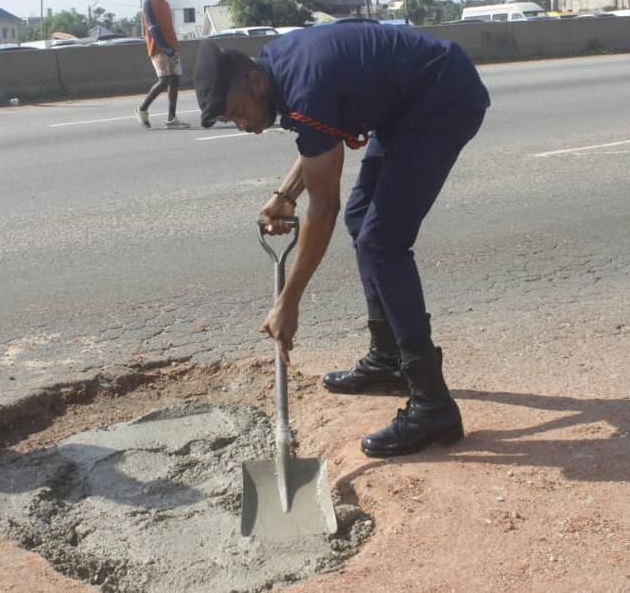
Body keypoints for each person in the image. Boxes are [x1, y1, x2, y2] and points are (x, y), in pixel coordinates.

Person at [194, 22, 489, 457]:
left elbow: (323, 207)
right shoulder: (280, 68)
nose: (241, 125)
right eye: (229, 120)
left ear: (254, 82)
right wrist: (284, 196)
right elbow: (319, 141)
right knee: (361, 217)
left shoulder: (306, 85)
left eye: (238, 112)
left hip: (441, 98)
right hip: (406, 104)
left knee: (382, 243)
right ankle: (388, 360)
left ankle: (432, 404)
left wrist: (288, 303)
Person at [135, 0, 189, 129]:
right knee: (164, 81)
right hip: (158, 48)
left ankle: (171, 118)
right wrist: (165, 48)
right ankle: (142, 109)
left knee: (175, 81)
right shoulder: (148, 3)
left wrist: (173, 48)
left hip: (172, 47)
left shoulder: (165, 4)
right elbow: (152, 27)